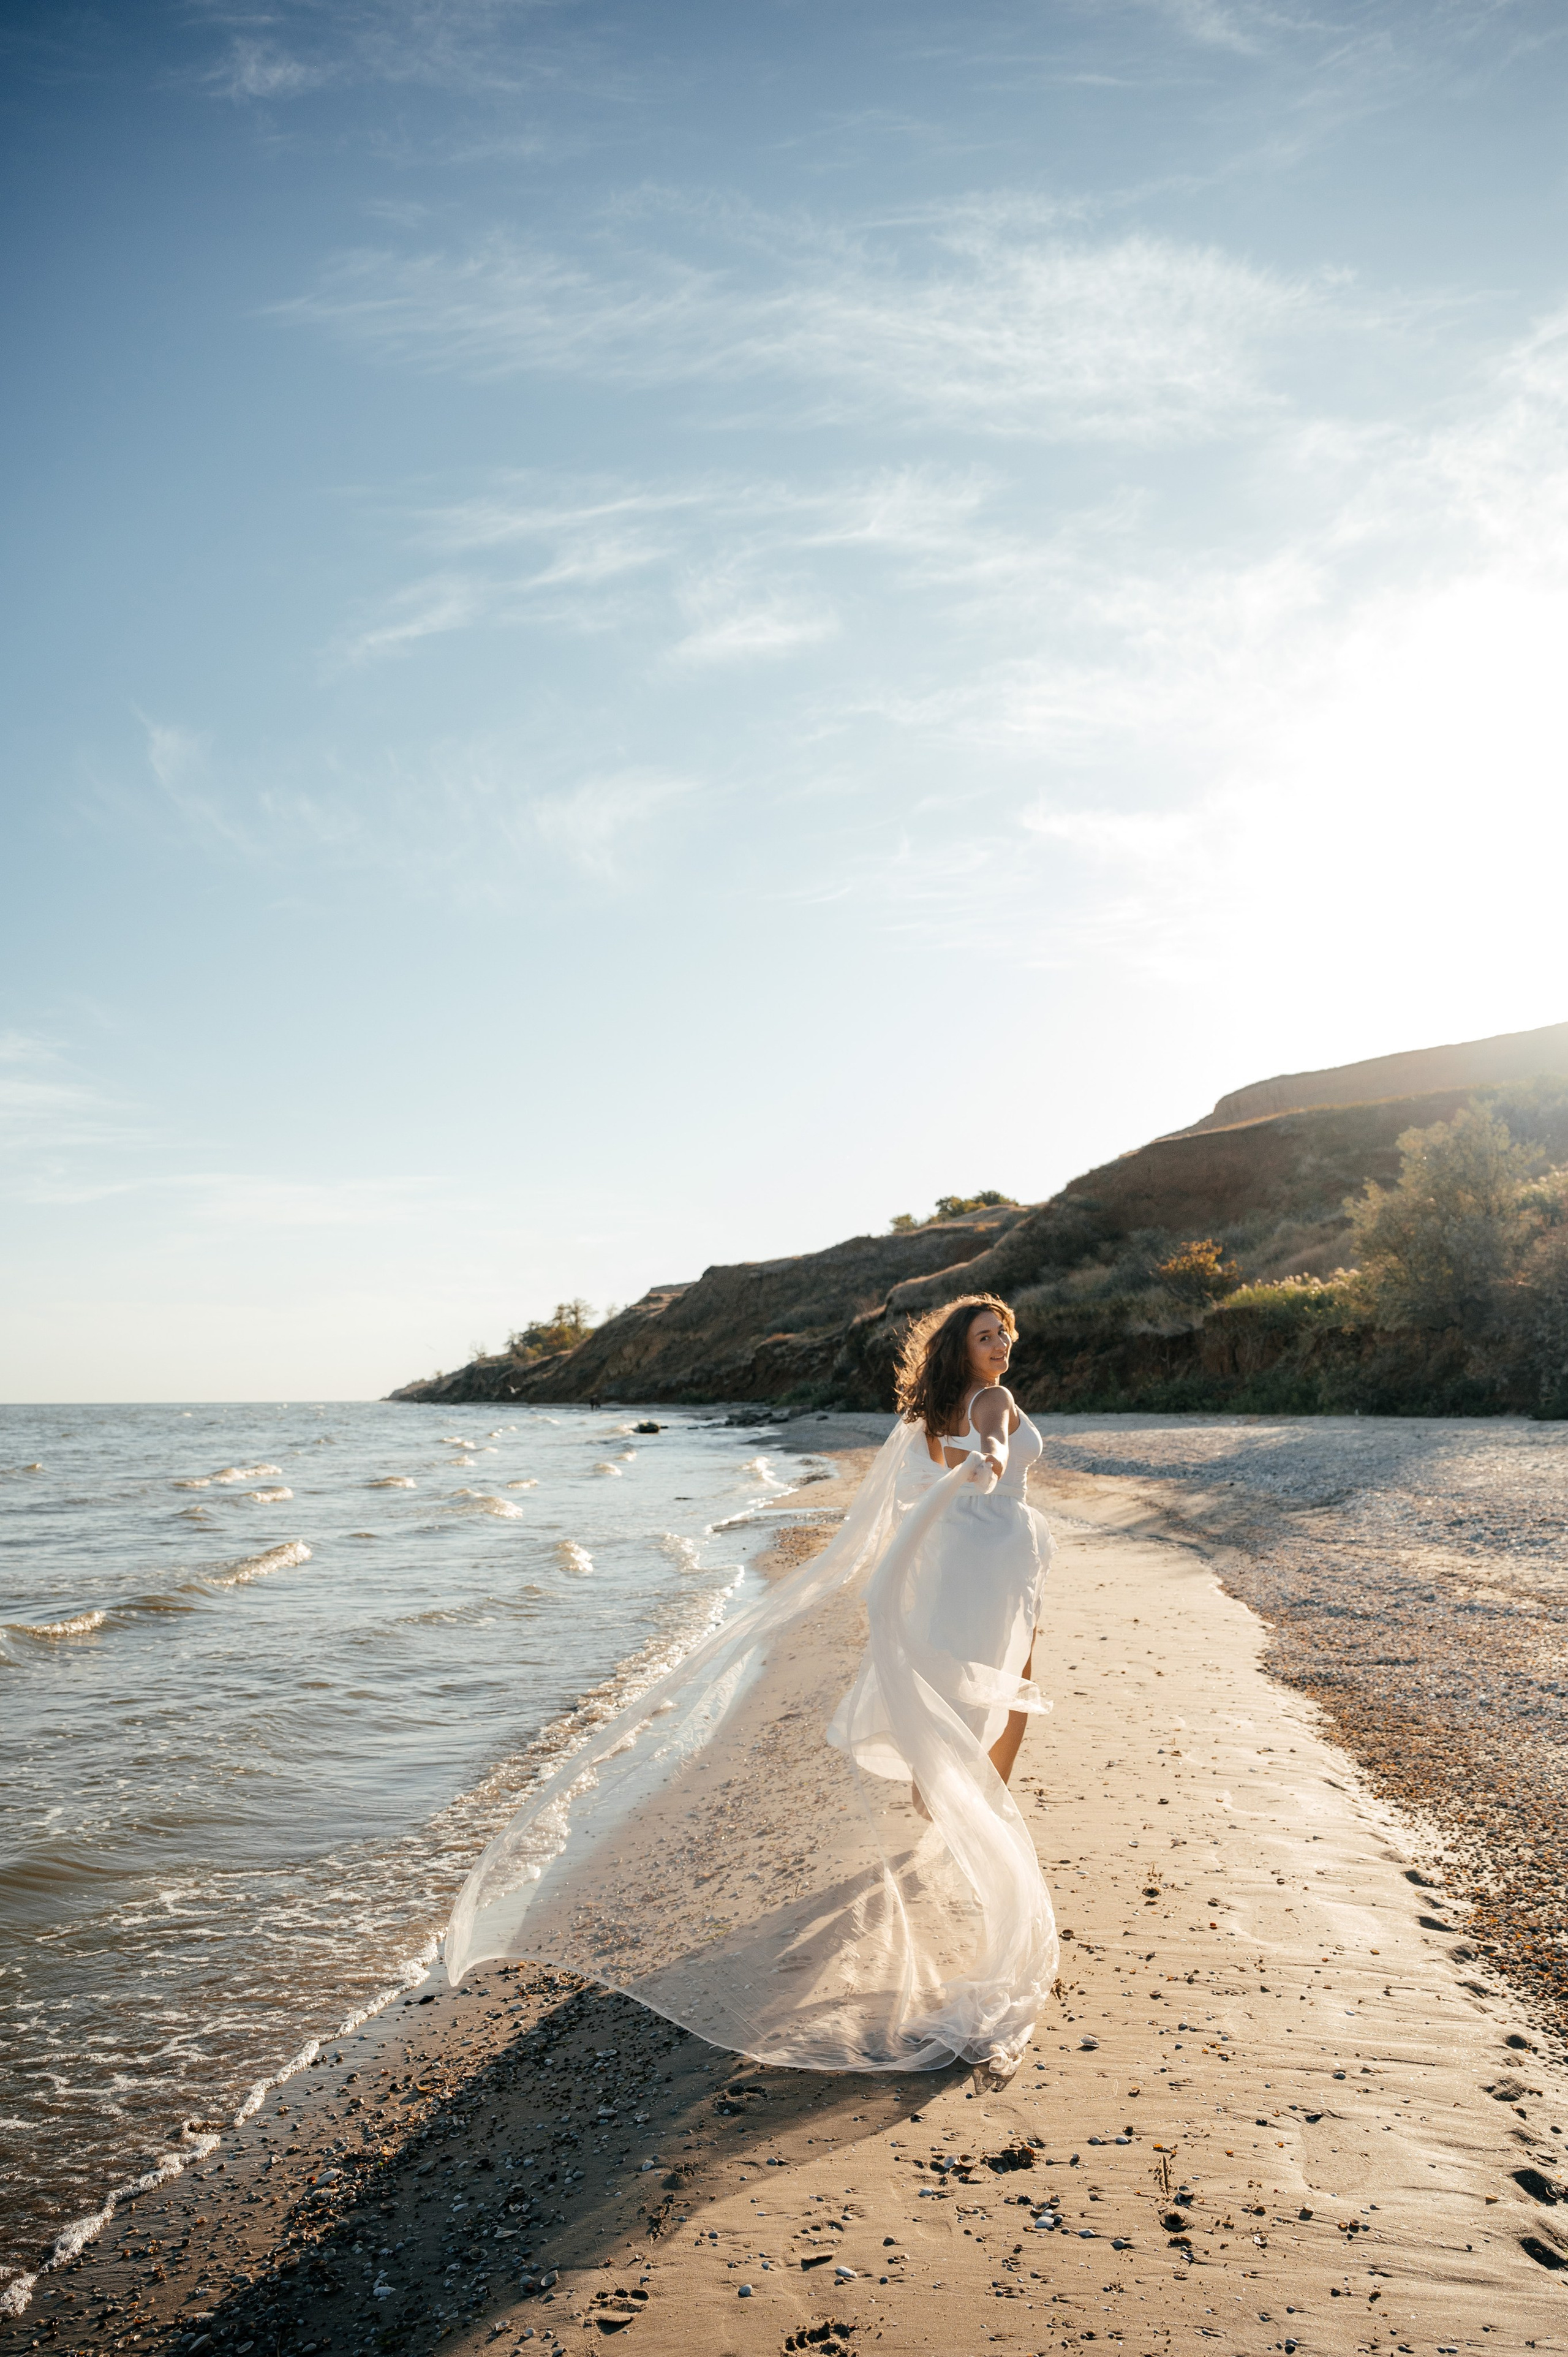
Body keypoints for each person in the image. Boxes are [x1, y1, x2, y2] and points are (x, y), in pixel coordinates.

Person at [444, 1293, 1059, 2079]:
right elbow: (999, 1447)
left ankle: (949, 1798)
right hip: (998, 1561)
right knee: (1013, 1686)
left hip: (961, 1560)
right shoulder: (995, 1400)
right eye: (986, 1334)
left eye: (1005, 1332)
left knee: (960, 1689)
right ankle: (983, 1811)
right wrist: (994, 1461)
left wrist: (976, 1468)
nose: (1002, 1343)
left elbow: (948, 1473)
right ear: (961, 1348)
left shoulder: (933, 1412)